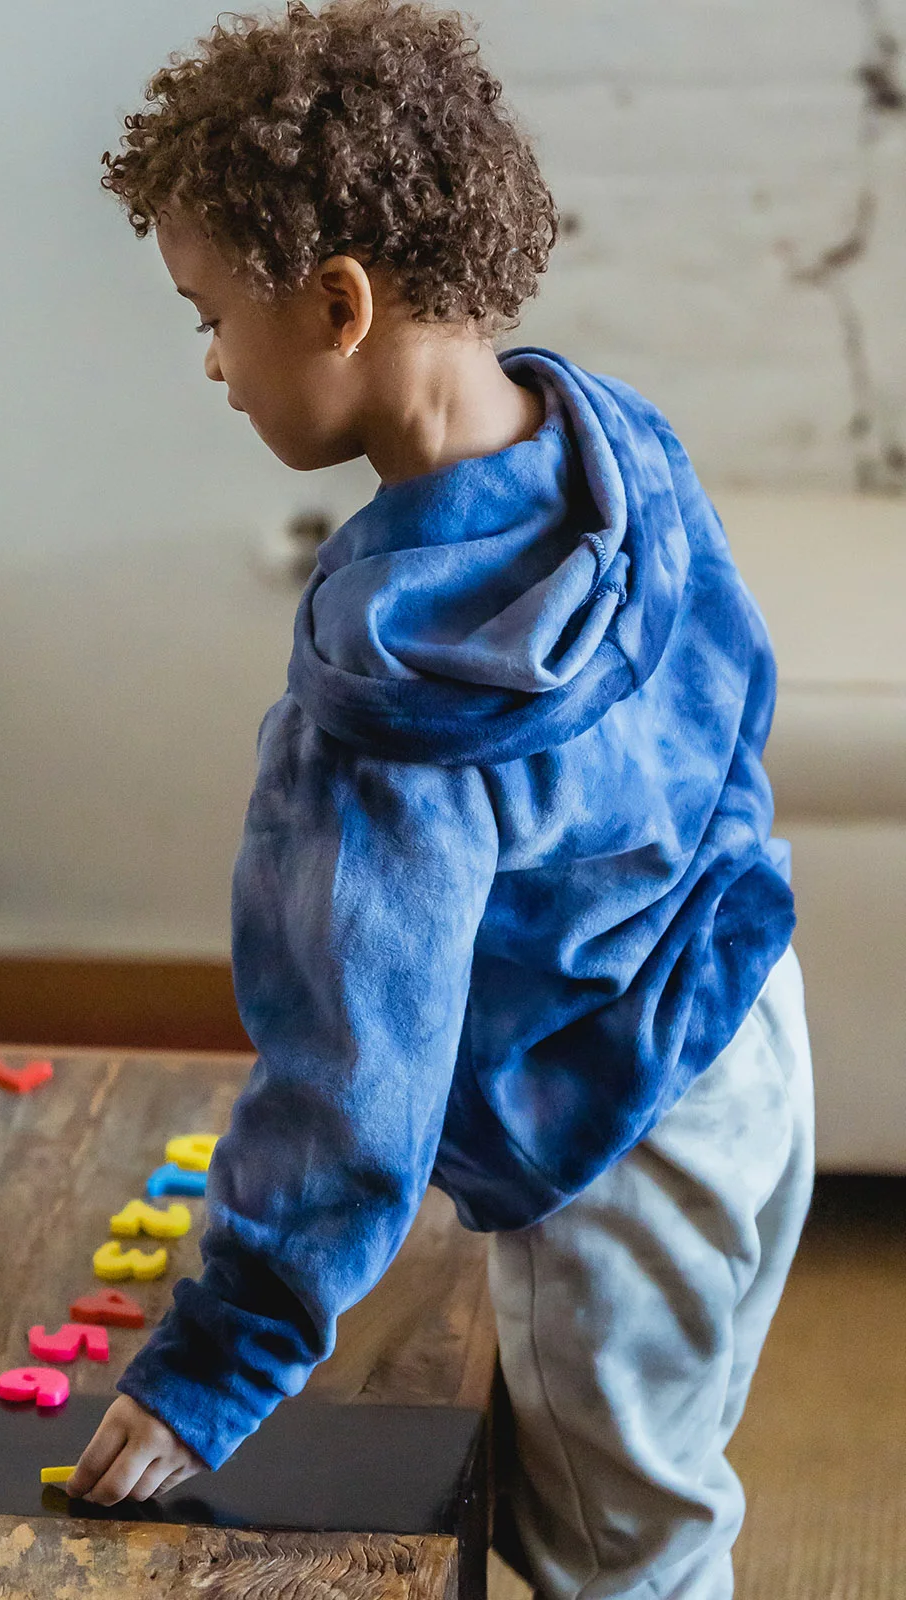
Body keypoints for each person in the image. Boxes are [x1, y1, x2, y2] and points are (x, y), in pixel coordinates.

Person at [65, 5, 814, 1596]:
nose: (209, 362)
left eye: (210, 316)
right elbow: (739, 710)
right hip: (755, 1033)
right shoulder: (622, 448)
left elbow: (353, 1088)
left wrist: (213, 1368)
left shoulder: (384, 708)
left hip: (601, 1148)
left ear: (336, 304)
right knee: (678, 1458)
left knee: (623, 1549)